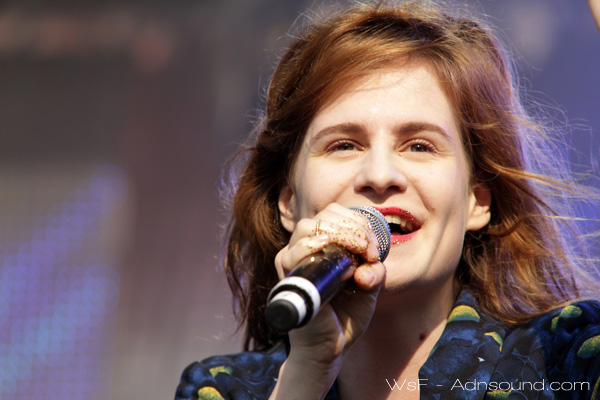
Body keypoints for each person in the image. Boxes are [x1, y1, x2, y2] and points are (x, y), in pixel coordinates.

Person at [175, 1, 600, 399]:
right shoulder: (224, 388)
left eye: (419, 146)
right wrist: (306, 373)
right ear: (288, 202)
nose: (379, 176)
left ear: (478, 201)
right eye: (344, 145)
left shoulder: (565, 359)